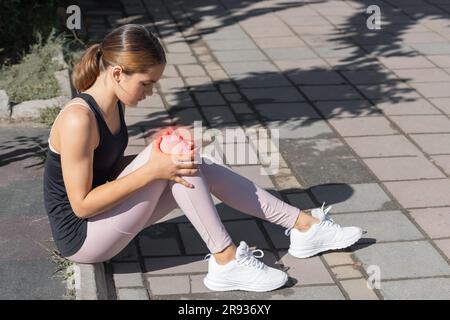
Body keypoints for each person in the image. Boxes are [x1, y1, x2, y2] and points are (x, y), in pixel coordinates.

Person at [43, 24, 363, 293]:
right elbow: (82, 204)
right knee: (175, 157)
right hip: (83, 239)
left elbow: (109, 169)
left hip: (104, 220)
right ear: (116, 74)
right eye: (146, 83)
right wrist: (153, 168)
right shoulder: (78, 120)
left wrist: (157, 152)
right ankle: (227, 260)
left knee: (181, 156)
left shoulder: (113, 105)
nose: (150, 92)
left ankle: (302, 226)